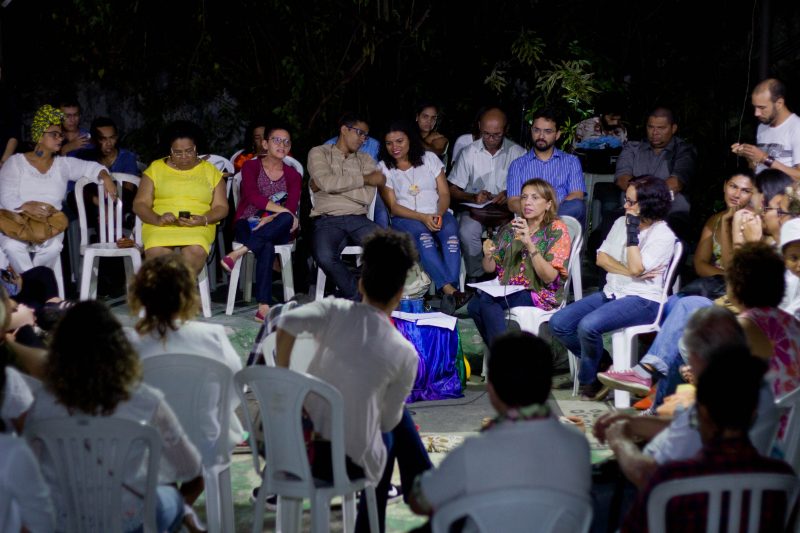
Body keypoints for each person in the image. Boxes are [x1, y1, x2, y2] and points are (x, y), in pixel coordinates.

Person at [274, 229, 431, 532]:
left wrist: (285, 377)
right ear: (401, 294)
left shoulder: (333, 310)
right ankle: (410, 491)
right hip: (342, 462)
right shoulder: (404, 353)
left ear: (360, 283)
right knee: (389, 431)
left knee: (384, 424)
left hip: (294, 446)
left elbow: (285, 322)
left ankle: (419, 482)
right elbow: (386, 423)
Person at [26, 300, 203, 533]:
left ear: (59, 350)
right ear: (119, 346)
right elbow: (193, 473)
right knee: (168, 496)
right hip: (131, 522)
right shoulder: (145, 400)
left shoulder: (42, 403)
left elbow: (30, 475)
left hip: (65, 522)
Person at [408, 331, 590, 528]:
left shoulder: (471, 453)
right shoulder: (577, 444)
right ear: (549, 386)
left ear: (491, 389)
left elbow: (420, 502)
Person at [620, 349, 794, 533]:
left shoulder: (672, 476)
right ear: (753, 415)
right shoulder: (783, 476)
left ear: (702, 412)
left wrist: (621, 440)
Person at [550, 176, 676, 399]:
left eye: (631, 202)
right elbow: (602, 259)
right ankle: (603, 362)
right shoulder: (620, 222)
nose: (625, 206)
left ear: (650, 204)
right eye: (625, 200)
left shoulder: (663, 234)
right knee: (559, 323)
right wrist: (629, 271)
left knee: (588, 326)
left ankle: (591, 379)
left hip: (644, 299)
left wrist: (633, 231)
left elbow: (637, 266)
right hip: (613, 292)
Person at [127, 254, 245, 465]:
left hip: (148, 441)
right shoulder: (213, 335)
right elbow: (236, 386)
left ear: (140, 295)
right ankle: (185, 494)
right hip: (206, 437)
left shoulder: (130, 342)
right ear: (188, 293)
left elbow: (123, 396)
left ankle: (174, 493)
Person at [0, 104, 118, 273]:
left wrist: (105, 176)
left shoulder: (63, 165)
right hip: (16, 222)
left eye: (61, 135)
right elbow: (5, 195)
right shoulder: (16, 163)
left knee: (54, 247)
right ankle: (37, 287)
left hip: (48, 225)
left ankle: (32, 286)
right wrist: (25, 206)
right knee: (12, 246)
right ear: (40, 137)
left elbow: (89, 168)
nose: (60, 138)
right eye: (54, 134)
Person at [467, 179, 571, 347]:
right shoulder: (511, 228)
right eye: (524, 197)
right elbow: (491, 268)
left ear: (548, 204)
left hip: (539, 292)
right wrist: (488, 255)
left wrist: (529, 244)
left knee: (487, 300)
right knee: (473, 306)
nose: (527, 202)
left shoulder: (556, 229)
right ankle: (505, 357)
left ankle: (503, 359)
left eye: (535, 198)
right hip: (509, 288)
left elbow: (550, 277)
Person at [378, 120, 467, 315]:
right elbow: (393, 207)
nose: (395, 147)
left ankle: (449, 294)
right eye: (389, 143)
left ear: (410, 139)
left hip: (438, 212)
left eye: (400, 141)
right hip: (407, 218)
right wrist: (422, 217)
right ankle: (451, 291)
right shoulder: (384, 166)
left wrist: (439, 213)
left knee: (451, 237)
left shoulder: (429, 159)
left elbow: (444, 194)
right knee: (424, 239)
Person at [220, 126, 301, 321]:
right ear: (265, 143)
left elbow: (290, 207)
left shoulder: (294, 176)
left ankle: (237, 253)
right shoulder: (250, 167)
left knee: (287, 219)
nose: (282, 145)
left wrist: (272, 218)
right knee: (266, 244)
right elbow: (253, 197)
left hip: (279, 226)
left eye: (286, 141)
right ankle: (263, 306)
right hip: (248, 222)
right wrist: (280, 213)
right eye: (276, 140)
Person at [132, 120, 229, 274]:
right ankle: (176, 294)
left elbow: (221, 207)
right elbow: (140, 204)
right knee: (157, 251)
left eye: (189, 151)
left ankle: (176, 291)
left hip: (197, 225)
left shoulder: (210, 171)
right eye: (178, 152)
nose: (184, 156)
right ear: (169, 150)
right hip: (160, 224)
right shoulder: (156, 168)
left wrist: (203, 219)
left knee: (195, 250)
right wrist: (158, 218)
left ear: (196, 148)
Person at [307, 112, 385, 300]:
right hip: (327, 219)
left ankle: (356, 287)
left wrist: (331, 186)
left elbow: (367, 196)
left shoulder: (365, 159)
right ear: (344, 129)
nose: (363, 139)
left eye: (365, 135)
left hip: (358, 218)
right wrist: (363, 179)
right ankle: (357, 295)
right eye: (359, 133)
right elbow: (326, 182)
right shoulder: (319, 152)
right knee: (324, 256)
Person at [593, 107, 697, 248]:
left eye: (661, 128)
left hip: (669, 212)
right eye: (651, 127)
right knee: (608, 226)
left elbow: (675, 183)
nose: (655, 132)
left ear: (673, 128)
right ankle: (610, 269)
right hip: (630, 210)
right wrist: (645, 198)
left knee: (671, 233)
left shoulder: (684, 150)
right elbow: (622, 179)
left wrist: (639, 193)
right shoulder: (632, 148)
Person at [447, 107, 526, 279]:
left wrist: (508, 193)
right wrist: (472, 197)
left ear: (506, 130)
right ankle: (478, 276)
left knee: (516, 234)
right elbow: (452, 190)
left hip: (507, 211)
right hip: (475, 210)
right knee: (467, 233)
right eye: (486, 133)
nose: (490, 139)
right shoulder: (469, 152)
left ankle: (503, 276)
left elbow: (528, 191)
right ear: (479, 128)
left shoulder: (518, 153)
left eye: (496, 135)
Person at [679, 171, 756, 298]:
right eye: (733, 186)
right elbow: (700, 263)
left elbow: (739, 269)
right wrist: (725, 277)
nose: (737, 194)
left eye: (745, 191)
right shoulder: (715, 220)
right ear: (725, 186)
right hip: (717, 285)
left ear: (753, 195)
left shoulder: (753, 221)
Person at [507, 107, 587, 226]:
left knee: (577, 205)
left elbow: (577, 194)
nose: (541, 136)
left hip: (561, 219)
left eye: (548, 131)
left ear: (557, 134)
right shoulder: (518, 165)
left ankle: (548, 229)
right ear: (531, 131)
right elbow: (513, 202)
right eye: (536, 130)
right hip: (531, 221)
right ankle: (545, 232)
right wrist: (537, 212)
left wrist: (548, 214)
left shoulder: (571, 161)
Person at [731, 78, 800, 180]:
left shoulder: (796, 126)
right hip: (761, 193)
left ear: (779, 103)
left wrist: (764, 158)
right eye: (755, 107)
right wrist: (749, 156)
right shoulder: (762, 127)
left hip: (785, 195)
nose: (756, 113)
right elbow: (757, 169)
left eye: (762, 108)